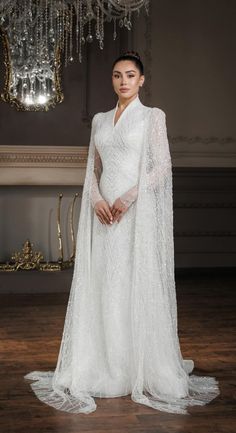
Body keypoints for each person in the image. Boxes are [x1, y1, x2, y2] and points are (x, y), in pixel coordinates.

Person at [24, 51, 220, 415]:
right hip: (104, 215)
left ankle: (138, 365)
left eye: (130, 75)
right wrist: (97, 199)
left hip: (134, 212)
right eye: (117, 75)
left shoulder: (151, 117)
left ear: (142, 80)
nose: (123, 81)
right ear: (112, 80)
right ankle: (104, 363)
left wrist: (130, 197)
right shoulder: (99, 120)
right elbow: (91, 169)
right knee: (104, 282)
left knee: (134, 280)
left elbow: (162, 166)